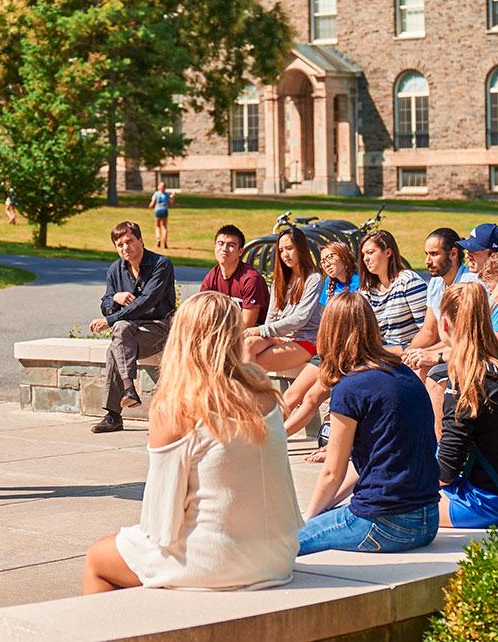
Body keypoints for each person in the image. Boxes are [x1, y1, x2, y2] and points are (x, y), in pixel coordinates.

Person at [83, 292, 302, 593]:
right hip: (278, 555)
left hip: (215, 561)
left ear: (182, 336)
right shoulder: (263, 392)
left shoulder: (177, 405)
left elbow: (160, 522)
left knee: (98, 559)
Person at [298, 293, 439, 555]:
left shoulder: (351, 388)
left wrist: (309, 520)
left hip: (383, 523)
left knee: (284, 544)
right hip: (427, 520)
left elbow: (332, 473)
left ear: (329, 332)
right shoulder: (404, 373)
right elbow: (370, 465)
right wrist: (325, 511)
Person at [429, 283, 498, 528]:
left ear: (445, 324)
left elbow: (447, 470)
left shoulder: (466, 380)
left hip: (484, 502)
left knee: (395, 504)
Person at [88, 221, 176, 433]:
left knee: (116, 343)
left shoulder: (161, 265)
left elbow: (147, 301)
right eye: (119, 244)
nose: (125, 247)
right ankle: (128, 392)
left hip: (159, 328)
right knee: (120, 333)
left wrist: (110, 320)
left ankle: (114, 415)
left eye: (129, 241)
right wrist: (115, 298)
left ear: (141, 241)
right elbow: (105, 304)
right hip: (130, 331)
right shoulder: (115, 269)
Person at [281, 241, 359, 439]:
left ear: (344, 255)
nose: (326, 263)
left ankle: (275, 439)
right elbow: (325, 325)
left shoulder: (360, 282)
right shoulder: (329, 285)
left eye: (331, 257)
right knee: (291, 396)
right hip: (326, 354)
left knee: (311, 397)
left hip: (351, 356)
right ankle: (264, 437)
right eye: (323, 260)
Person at [243, 228, 322, 372]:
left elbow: (301, 318)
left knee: (253, 364)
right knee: (248, 345)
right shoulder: (279, 280)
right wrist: (264, 333)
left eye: (289, 248)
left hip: (305, 340)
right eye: (281, 250)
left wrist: (261, 330)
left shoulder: (313, 278)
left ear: (301, 248)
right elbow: (272, 315)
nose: (285, 254)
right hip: (280, 337)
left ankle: (246, 393)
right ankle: (246, 392)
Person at [404, 228, 478, 377]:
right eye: (426, 254)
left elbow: (464, 341)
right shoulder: (436, 283)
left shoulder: (469, 286)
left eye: (434, 254)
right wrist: (407, 354)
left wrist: (428, 354)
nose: (427, 261)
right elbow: (428, 331)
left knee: (423, 370)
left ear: (453, 254)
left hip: (466, 354)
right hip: (449, 349)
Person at [358, 230, 427, 353]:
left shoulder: (408, 282)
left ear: (388, 252)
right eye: (363, 255)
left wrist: (399, 351)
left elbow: (428, 331)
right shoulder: (366, 289)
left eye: (370, 252)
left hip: (409, 352)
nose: (365, 259)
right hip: (379, 353)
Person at [200, 224, 269, 328]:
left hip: (254, 333)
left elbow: (248, 323)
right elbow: (202, 311)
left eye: (231, 245)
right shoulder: (211, 277)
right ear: (215, 248)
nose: (224, 248)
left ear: (240, 251)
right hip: (223, 329)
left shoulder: (251, 279)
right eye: (220, 243)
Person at [458, 223, 498, 344]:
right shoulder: (476, 282)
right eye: (468, 249)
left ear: (493, 255)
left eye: (474, 251)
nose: (467, 255)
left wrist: (440, 357)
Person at [148, 181, 174, 248]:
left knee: (157, 226)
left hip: (158, 210)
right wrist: (173, 198)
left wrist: (150, 207)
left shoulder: (156, 194)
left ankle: (158, 239)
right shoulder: (167, 194)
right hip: (165, 210)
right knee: (164, 227)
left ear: (158, 187)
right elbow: (170, 204)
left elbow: (152, 203)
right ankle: (165, 241)